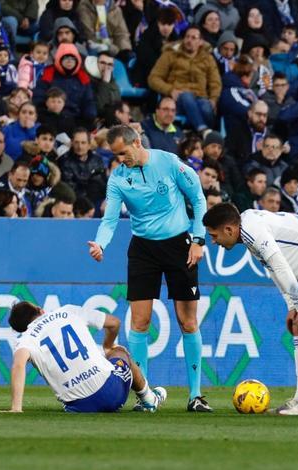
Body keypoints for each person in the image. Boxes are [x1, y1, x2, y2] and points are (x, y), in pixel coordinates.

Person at [88, 125, 211, 413]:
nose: (120, 160)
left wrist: (198, 240)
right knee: (139, 322)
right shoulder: (118, 178)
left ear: (137, 142)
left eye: (122, 152)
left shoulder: (168, 162)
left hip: (180, 246)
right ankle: (145, 397)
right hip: (143, 250)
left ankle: (195, 395)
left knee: (187, 321)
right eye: (115, 155)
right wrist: (102, 245)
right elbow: (109, 220)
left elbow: (198, 199)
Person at [203, 203, 298, 416]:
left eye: (214, 236)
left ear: (229, 230)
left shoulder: (252, 230)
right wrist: (292, 306)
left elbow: (280, 265)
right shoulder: (248, 226)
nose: (214, 242)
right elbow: (274, 270)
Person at [3, 301, 166, 413]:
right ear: (40, 309)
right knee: (119, 352)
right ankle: (149, 399)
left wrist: (16, 407)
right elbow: (114, 323)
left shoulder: (25, 339)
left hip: (78, 406)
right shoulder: (67, 311)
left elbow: (18, 365)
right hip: (111, 394)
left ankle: (147, 399)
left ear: (21, 329)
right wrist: (108, 346)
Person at [148, 26, 222, 136]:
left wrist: (213, 99)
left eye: (193, 38)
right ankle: (203, 131)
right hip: (177, 99)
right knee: (186, 96)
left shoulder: (208, 58)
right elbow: (153, 78)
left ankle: (203, 135)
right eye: (187, 37)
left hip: (200, 97)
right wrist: (170, 90)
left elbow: (215, 82)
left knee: (206, 107)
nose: (189, 40)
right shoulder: (170, 54)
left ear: (200, 42)